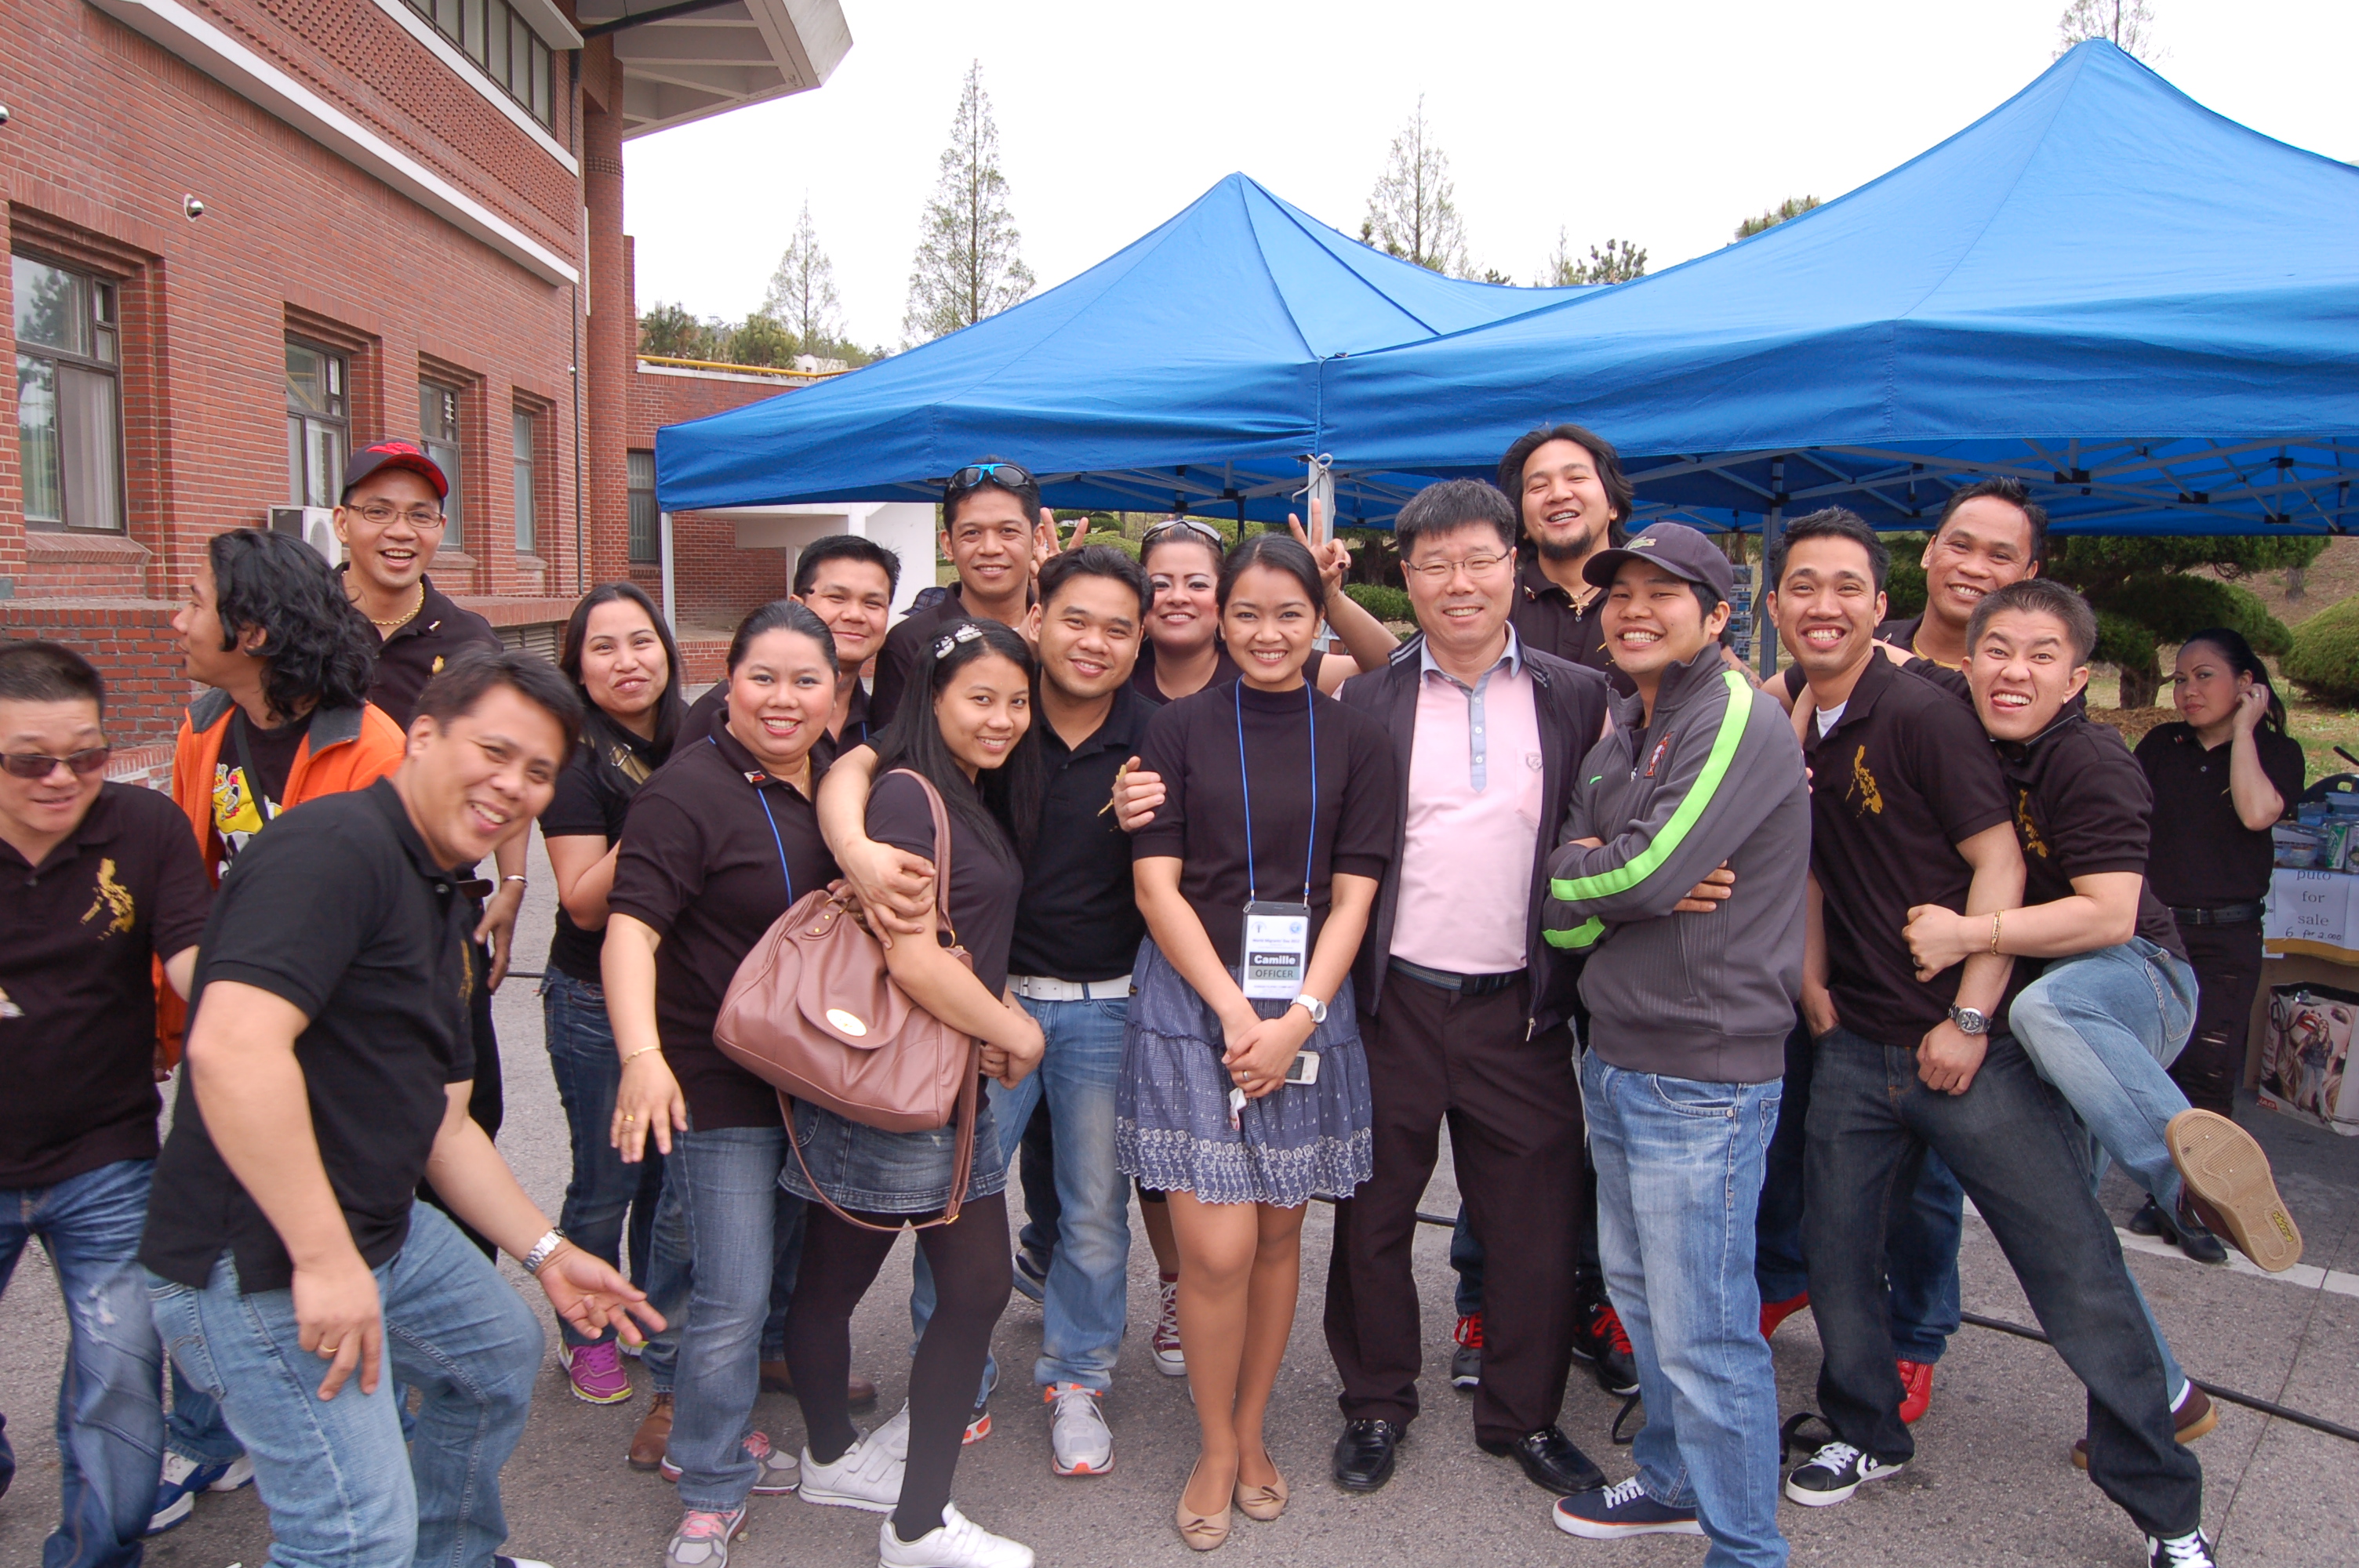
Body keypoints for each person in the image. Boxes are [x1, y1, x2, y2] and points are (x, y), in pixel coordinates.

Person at [140, 652, 656, 1568]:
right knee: (351, 1535)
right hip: (253, 1254)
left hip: (378, 1229)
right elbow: (230, 1048)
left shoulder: (444, 896)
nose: (513, 784)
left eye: (538, 770)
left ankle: (450, 1555)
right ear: (421, 735)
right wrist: (322, 1256)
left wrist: (549, 1251)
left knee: (492, 1359)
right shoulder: (333, 850)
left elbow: (444, 1125)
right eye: (493, 751)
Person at [1867, 583, 2234, 1568]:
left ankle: (2184, 1188)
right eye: (1996, 650)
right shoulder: (1964, 710)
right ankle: (2163, 1396)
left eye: (2041, 657)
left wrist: (1966, 938)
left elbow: (2107, 914)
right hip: (2041, 1036)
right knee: (2069, 1244)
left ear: (2076, 679)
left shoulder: (2088, 758)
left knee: (2048, 1011)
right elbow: (1880, 657)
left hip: (2124, 988)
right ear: (1969, 660)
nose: (2013, 671)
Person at [825, 546, 1152, 1479]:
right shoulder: (992, 710)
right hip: (982, 1005)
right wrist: (855, 850)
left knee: (1093, 1210)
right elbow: (859, 764)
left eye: (1117, 628)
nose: (1093, 642)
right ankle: (953, 1380)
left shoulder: (1154, 734)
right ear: (1037, 618)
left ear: (1139, 641)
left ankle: (1077, 1376)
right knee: (955, 1204)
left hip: (1106, 1007)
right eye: (1075, 619)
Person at [1316, 479, 1612, 1499]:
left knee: (1533, 1226)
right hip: (1393, 1002)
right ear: (1406, 578)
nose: (1460, 582)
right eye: (1435, 564)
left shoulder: (1577, 695)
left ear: (1512, 567)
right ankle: (1374, 1401)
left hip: (1519, 1009)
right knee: (1372, 1218)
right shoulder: (1368, 699)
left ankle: (1524, 1414)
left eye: (1480, 559)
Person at [1539, 522, 1808, 1565]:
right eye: (1620, 593)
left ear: (1718, 613)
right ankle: (1673, 1478)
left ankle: (1745, 1547)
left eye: (1663, 593)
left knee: (1704, 1329)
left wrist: (1611, 872)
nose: (1634, 610)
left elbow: (1637, 873)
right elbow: (1565, 903)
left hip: (1703, 1071)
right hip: (1616, 1055)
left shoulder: (1731, 711)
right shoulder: (1624, 723)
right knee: (1646, 1302)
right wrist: (1609, 876)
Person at [1121, 533, 1395, 1550]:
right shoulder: (1176, 728)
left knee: (1279, 1236)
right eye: (1247, 612)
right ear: (1219, 617)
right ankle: (1211, 1444)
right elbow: (1155, 886)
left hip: (1306, 1008)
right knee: (1217, 1246)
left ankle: (1249, 1429)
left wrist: (1296, 1019)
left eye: (1290, 613)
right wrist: (1239, 1018)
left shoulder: (1358, 736)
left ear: (1320, 618)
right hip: (1193, 1002)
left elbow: (1354, 897)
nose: (1267, 632)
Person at [1759, 508, 2031, 1517]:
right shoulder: (1804, 712)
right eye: (1801, 586)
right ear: (1774, 606)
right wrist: (1812, 983)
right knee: (1835, 1244)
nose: (1821, 605)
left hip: (1952, 1035)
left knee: (2052, 1248)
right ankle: (1865, 1429)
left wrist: (1968, 1018)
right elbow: (1811, 865)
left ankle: (2158, 1430)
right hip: (1855, 1031)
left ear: (1881, 605)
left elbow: (1998, 859)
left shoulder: (1922, 710)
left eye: (1845, 587)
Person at [154, 525, 405, 1533]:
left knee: (299, 1239)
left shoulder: (369, 746)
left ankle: (338, 1421)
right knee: (210, 1247)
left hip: (318, 1048)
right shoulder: (205, 726)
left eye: (192, 601)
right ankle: (206, 1436)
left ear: (251, 630)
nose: (176, 619)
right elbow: (185, 882)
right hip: (225, 1024)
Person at [782, 615, 1046, 1568]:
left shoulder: (956, 788)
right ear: (932, 701)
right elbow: (912, 957)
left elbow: (957, 939)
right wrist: (1017, 1030)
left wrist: (995, 1013)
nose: (1002, 717)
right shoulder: (908, 795)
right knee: (963, 1287)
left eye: (1017, 700)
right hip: (904, 1083)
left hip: (927, 1082)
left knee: (838, 1279)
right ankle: (914, 1521)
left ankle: (833, 1459)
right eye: (980, 698)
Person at [602, 601, 845, 1568]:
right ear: (727, 683)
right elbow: (630, 929)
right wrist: (640, 1055)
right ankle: (705, 1485)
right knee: (732, 1294)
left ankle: (726, 1427)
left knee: (774, 1276)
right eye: (762, 678)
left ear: (834, 692)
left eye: (806, 680)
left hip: (819, 1080)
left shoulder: (836, 777)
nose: (784, 699)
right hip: (720, 1084)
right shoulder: (685, 791)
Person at [0, 642, 210, 1568]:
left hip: (105, 1151)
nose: (62, 778)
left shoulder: (143, 825)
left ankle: (93, 1554)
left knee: (120, 1373)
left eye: (85, 755)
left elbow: (193, 954)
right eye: (30, 761)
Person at [333, 441, 523, 1232]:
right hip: (329, 905)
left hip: (441, 905)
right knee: (338, 1107)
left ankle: (456, 1278)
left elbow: (507, 763)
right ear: (342, 522)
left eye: (420, 514)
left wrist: (512, 883)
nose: (399, 531)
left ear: (440, 528)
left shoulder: (468, 635)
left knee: (464, 1101)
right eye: (378, 511)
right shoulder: (302, 623)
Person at [538, 583, 688, 1424]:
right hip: (595, 997)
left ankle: (642, 1315)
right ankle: (584, 1327)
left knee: (669, 1181)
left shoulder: (693, 732)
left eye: (641, 641)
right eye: (603, 647)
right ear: (578, 668)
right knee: (606, 1179)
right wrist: (665, 814)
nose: (627, 662)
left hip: (680, 998)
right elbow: (583, 903)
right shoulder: (574, 758)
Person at [2135, 630, 2305, 1151]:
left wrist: (2245, 732)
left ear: (2246, 683)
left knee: (2208, 1075)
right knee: (2149, 1069)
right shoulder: (2162, 745)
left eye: (2204, 676)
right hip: (2153, 931)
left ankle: (2199, 1189)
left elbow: (2256, 813)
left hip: (2226, 938)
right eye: (2180, 679)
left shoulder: (2276, 751)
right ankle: (2161, 1182)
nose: (2189, 691)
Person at [686, 534, 900, 764]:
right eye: (837, 597)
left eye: (873, 603)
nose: (855, 615)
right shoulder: (727, 708)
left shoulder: (880, 714)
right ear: (798, 605)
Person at [869, 462, 1045, 730]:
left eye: (1008, 531)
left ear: (1037, 539)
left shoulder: (1060, 633)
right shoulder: (910, 644)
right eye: (972, 533)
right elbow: (893, 746)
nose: (990, 548)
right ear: (948, 544)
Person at [1496, 423, 1631, 673]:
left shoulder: (1650, 600)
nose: (1558, 494)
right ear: (1523, 523)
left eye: (1576, 478)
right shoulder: (1497, 606)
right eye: (1538, 486)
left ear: (1613, 506)